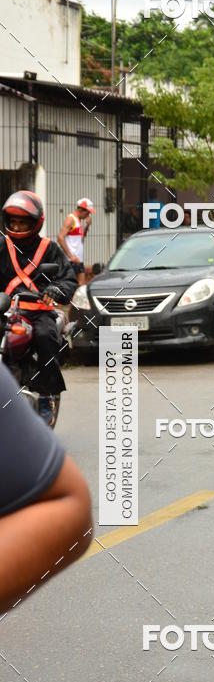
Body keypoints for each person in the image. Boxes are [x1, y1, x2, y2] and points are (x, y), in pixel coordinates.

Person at [0, 361, 92, 615]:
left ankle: (47, 389)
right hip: (18, 322)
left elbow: (67, 504)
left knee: (44, 336)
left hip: (40, 321)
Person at [0, 191, 78, 427]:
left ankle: (47, 397)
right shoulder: (2, 246)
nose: (16, 225)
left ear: (35, 223)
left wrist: (55, 289)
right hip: (5, 311)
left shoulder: (50, 249)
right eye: (13, 221)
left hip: (37, 311)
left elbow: (68, 279)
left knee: (45, 337)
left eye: (22, 221)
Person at [57, 198, 95, 284]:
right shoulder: (71, 219)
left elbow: (81, 238)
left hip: (78, 259)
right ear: (81, 210)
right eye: (88, 212)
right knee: (71, 284)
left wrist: (87, 226)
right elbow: (60, 238)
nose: (88, 215)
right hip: (71, 260)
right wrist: (71, 256)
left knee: (80, 283)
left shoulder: (79, 221)